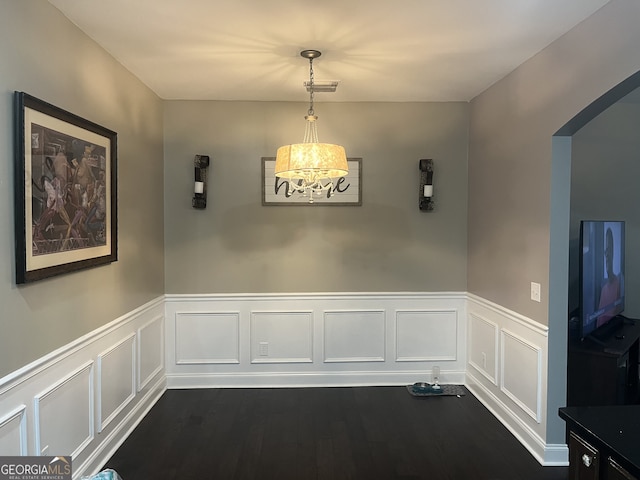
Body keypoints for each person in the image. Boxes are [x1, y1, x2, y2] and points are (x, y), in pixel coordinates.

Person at [597, 227, 621, 327]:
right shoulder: (603, 290)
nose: (607, 254)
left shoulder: (620, 283)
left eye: (610, 250)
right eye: (606, 250)